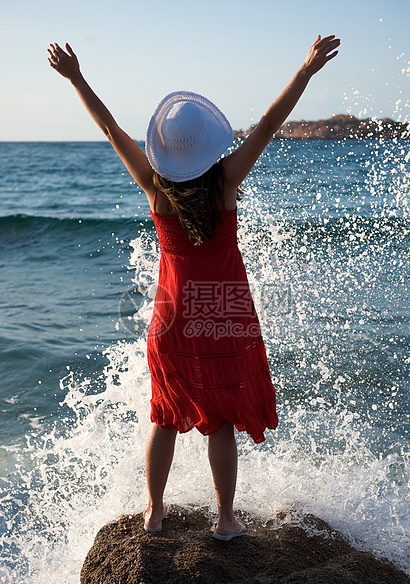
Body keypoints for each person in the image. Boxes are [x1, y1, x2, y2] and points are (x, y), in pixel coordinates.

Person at [48, 35, 340, 540]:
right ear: (208, 143)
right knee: (220, 420)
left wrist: (76, 78)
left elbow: (110, 128)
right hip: (222, 314)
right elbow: (271, 123)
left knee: (164, 414)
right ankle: (226, 520)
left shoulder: (155, 191)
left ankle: (154, 513)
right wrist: (306, 70)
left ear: (163, 149)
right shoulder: (226, 182)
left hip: (170, 319)